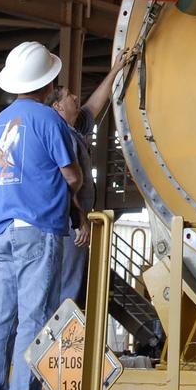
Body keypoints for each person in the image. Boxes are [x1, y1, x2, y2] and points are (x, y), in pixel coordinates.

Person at [0, 41, 86, 390]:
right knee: (34, 317)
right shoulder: (49, 120)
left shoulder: (0, 122)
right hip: (37, 230)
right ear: (48, 80)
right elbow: (71, 175)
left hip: (2, 231)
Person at [50, 49, 133, 308]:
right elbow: (67, 182)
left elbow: (94, 105)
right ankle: (58, 342)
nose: (76, 97)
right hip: (69, 225)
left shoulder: (72, 129)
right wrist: (80, 219)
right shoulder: (61, 135)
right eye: (69, 96)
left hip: (71, 221)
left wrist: (116, 69)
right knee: (67, 286)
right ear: (57, 106)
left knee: (69, 283)